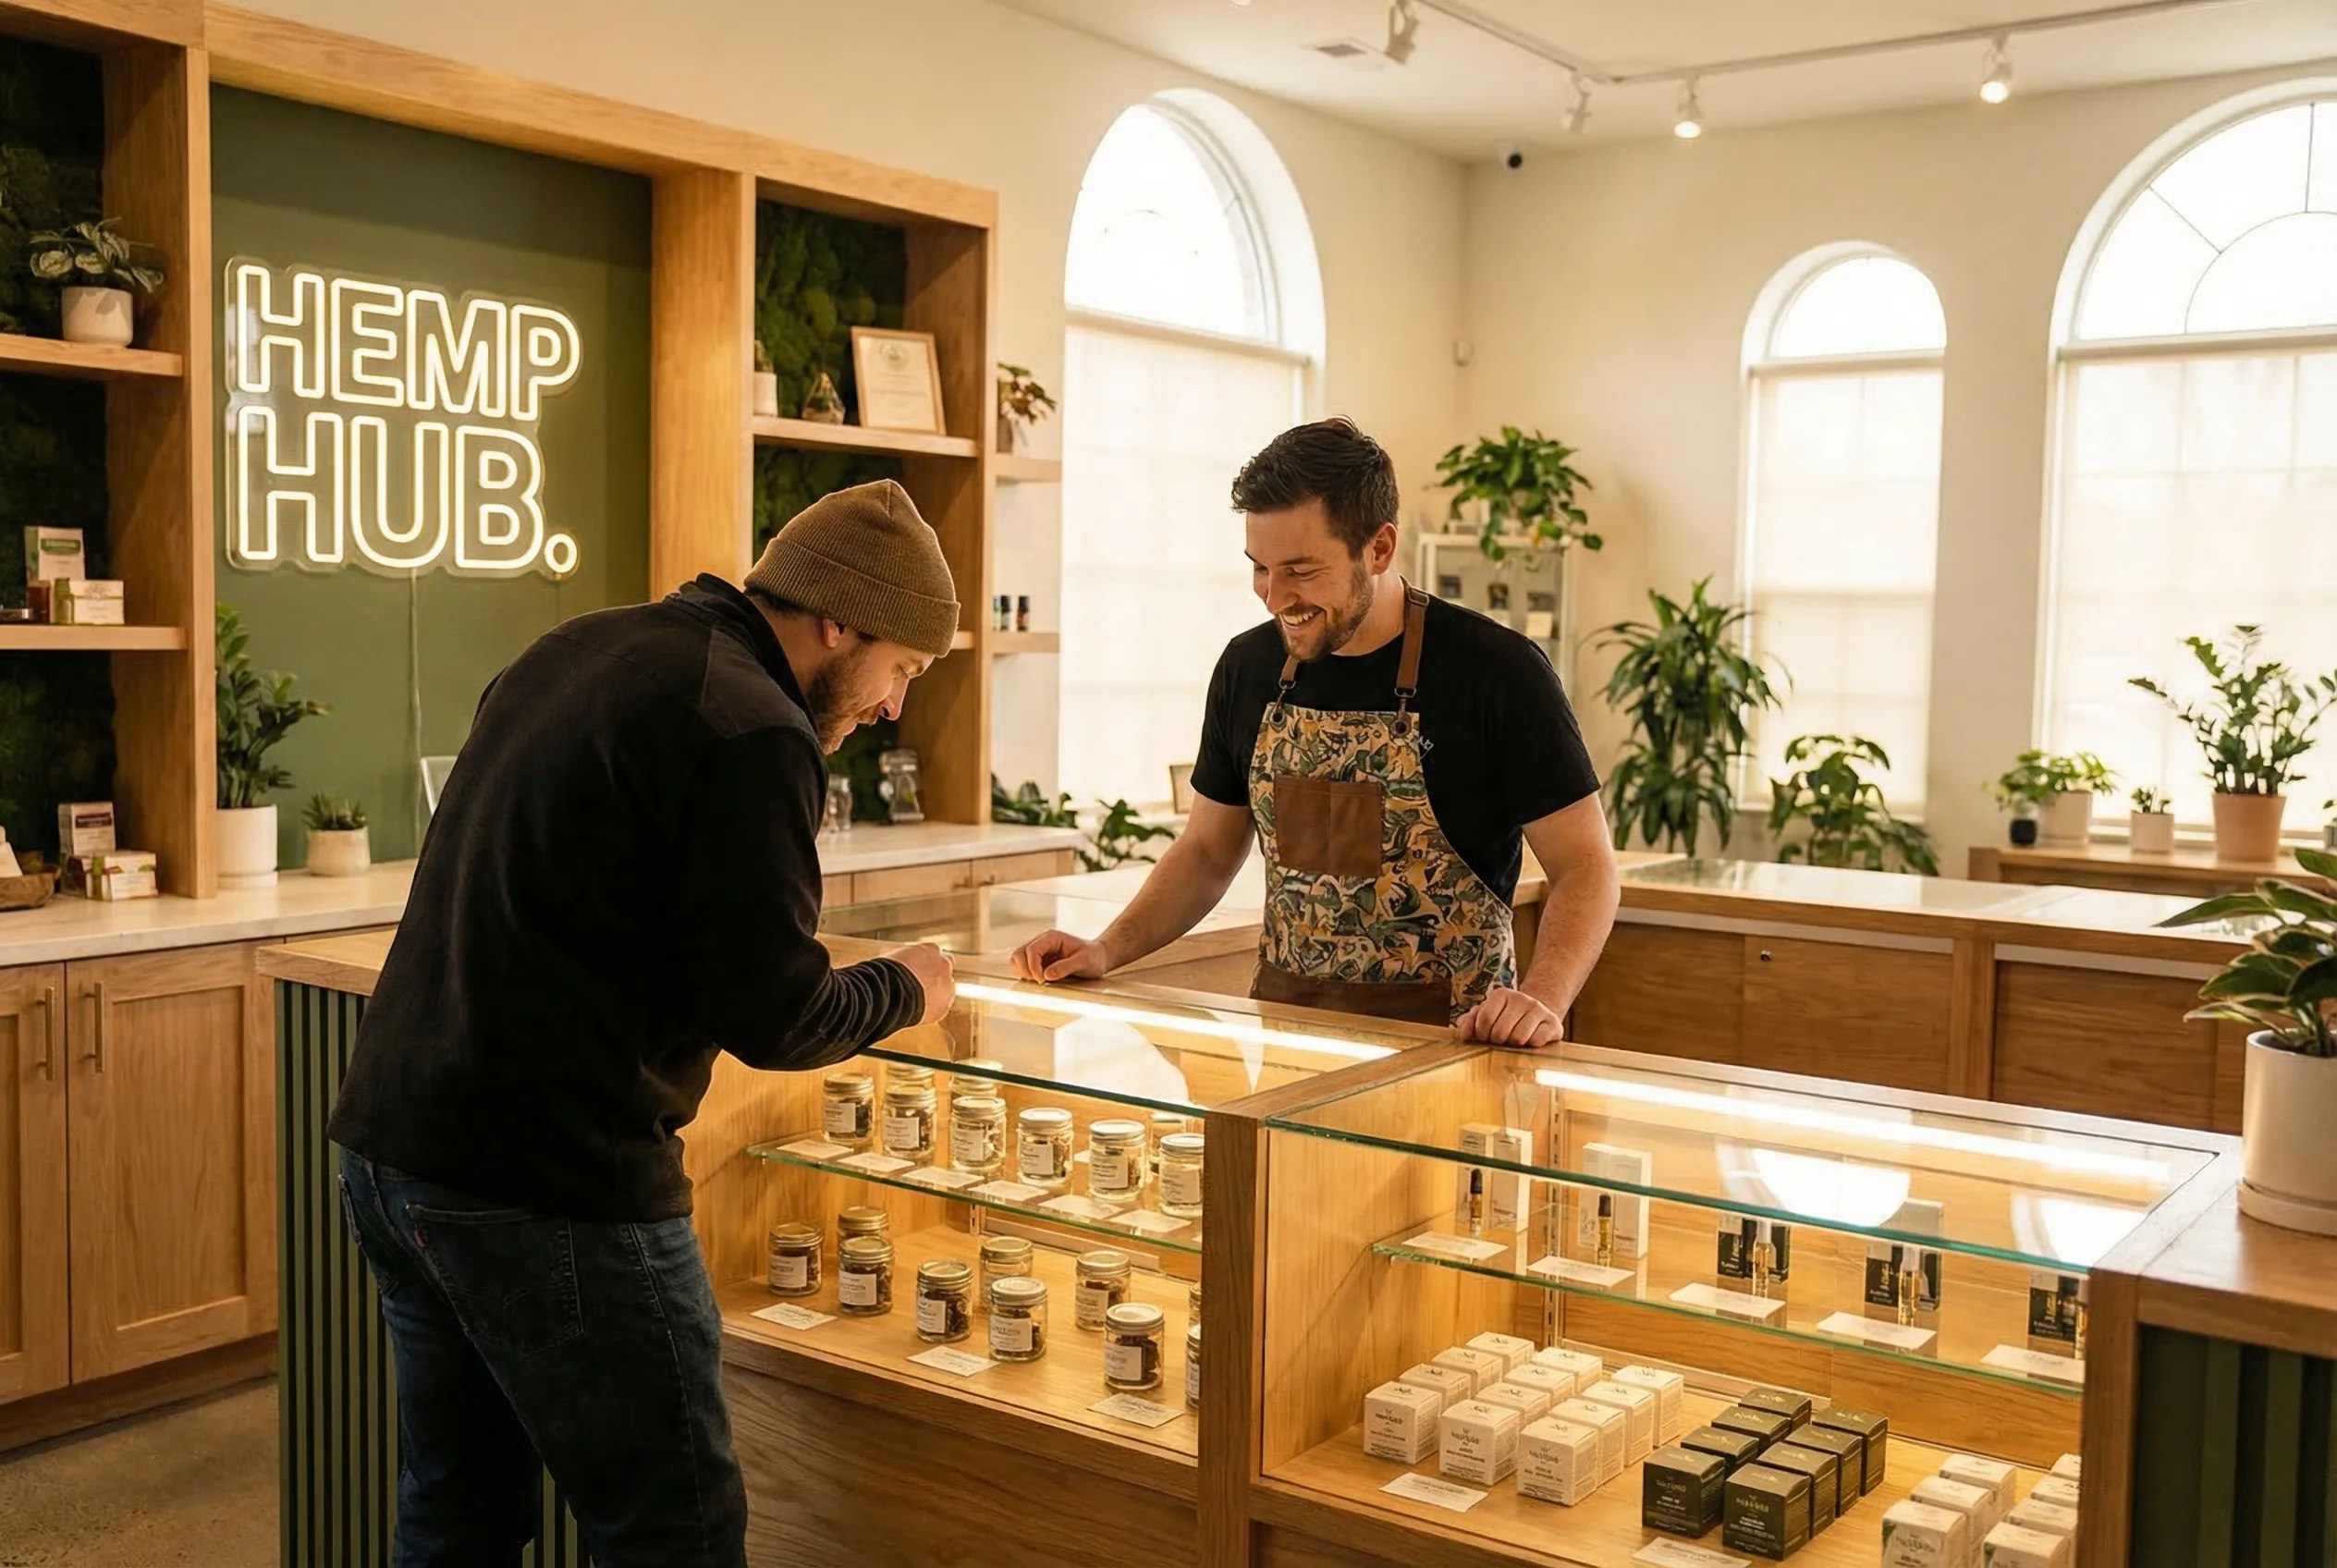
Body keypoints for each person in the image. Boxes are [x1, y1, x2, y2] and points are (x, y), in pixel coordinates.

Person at [328, 479, 961, 1567]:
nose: (894, 706)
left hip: (396, 1145)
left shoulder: (577, 647)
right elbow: (776, 1014)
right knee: (673, 1530)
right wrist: (909, 987)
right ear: (837, 620)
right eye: (901, 668)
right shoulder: (751, 725)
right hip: (551, 1184)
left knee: (457, 1513)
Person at [1012, 419, 1618, 1043]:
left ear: (1379, 549)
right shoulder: (1248, 668)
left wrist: (1540, 1002)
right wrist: (1107, 949)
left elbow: (1586, 867)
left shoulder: (1497, 673)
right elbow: (1207, 852)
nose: (1275, 598)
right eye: (1260, 569)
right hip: (1289, 1042)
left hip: (1452, 1049)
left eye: (1301, 571)